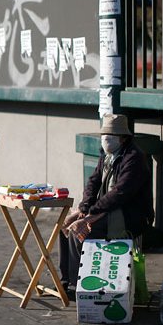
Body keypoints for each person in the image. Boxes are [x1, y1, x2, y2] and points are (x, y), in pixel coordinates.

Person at [59, 113, 154, 300]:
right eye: (103, 136)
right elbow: (93, 182)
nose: (105, 141)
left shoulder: (134, 158)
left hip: (130, 216)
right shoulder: (108, 155)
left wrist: (90, 216)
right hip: (107, 209)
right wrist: (84, 209)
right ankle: (67, 279)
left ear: (123, 138)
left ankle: (79, 285)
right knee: (65, 226)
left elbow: (119, 194)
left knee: (81, 232)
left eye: (110, 137)